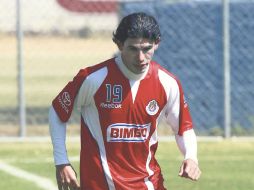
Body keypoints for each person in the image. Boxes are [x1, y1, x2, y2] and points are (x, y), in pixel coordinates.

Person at [49, 12, 201, 190]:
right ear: (120, 45)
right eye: (133, 49)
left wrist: (191, 157)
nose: (141, 57)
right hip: (100, 185)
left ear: (157, 44)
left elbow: (183, 128)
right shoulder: (93, 79)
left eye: (147, 48)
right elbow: (58, 111)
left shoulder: (167, 83)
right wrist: (61, 161)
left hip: (148, 184)